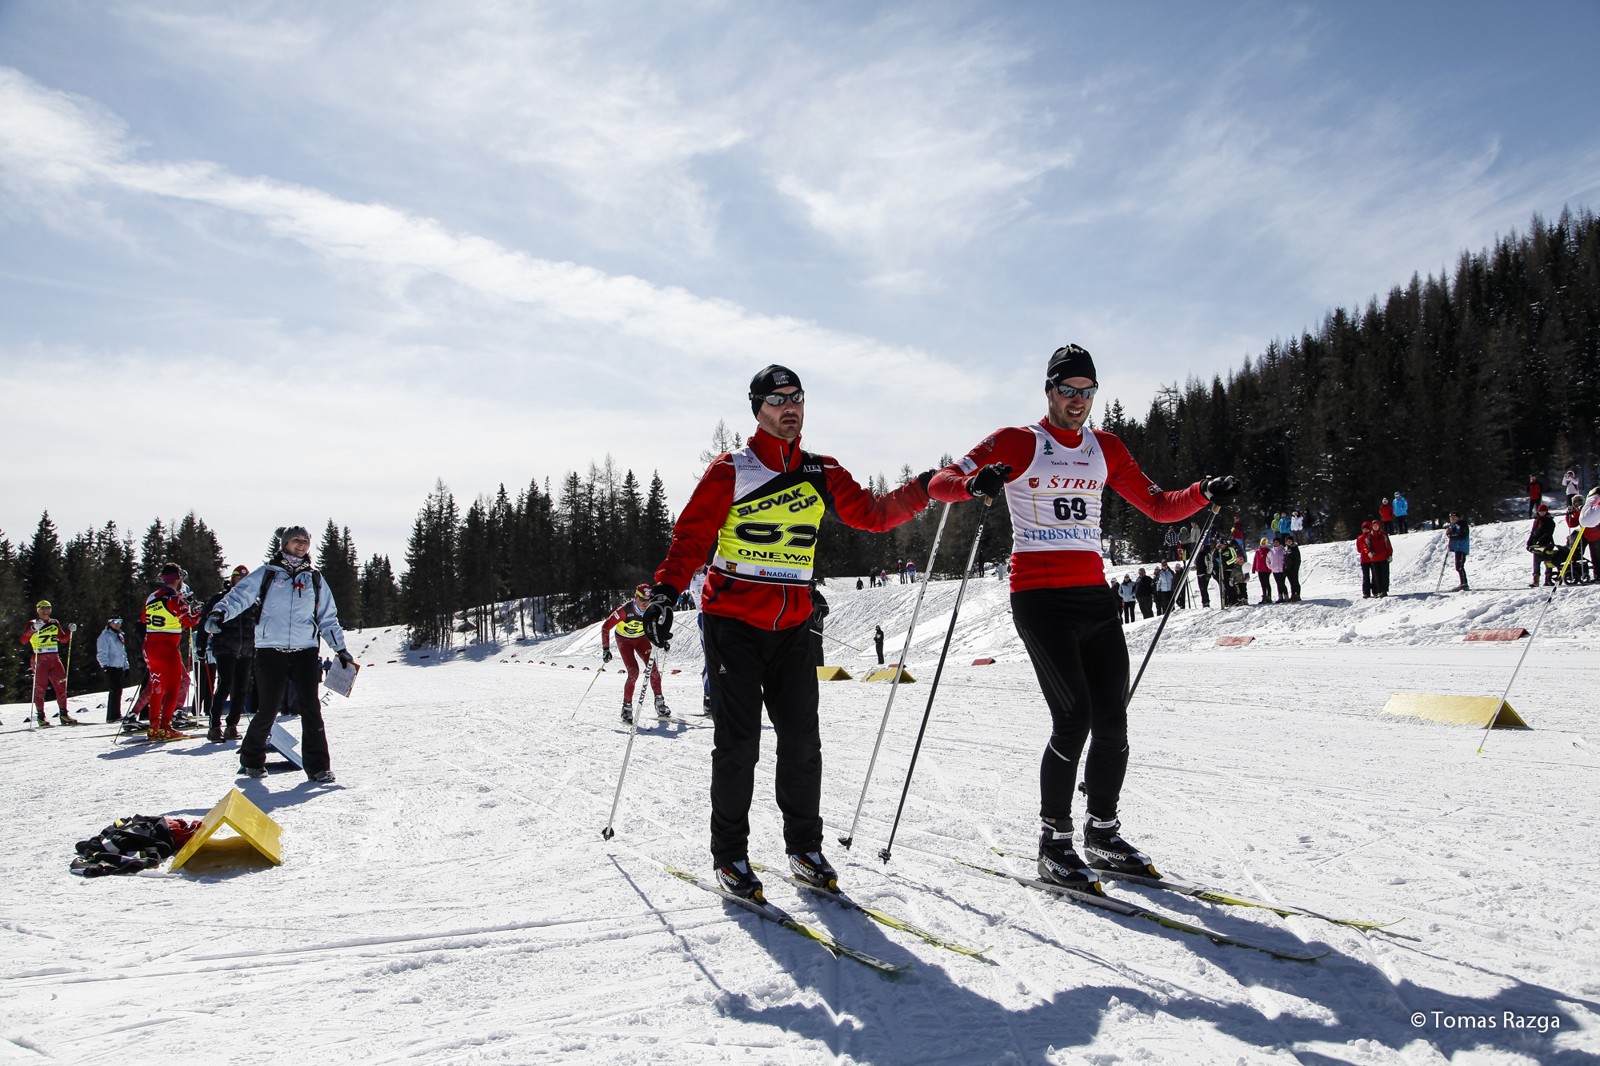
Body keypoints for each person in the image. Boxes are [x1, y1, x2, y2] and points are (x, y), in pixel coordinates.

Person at [925, 342, 1233, 888]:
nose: (1078, 401)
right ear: (1049, 391)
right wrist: (975, 483)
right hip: (1040, 598)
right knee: (1074, 718)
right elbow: (940, 482)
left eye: (1087, 392)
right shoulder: (1019, 442)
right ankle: (1054, 842)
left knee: (1113, 720)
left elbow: (1159, 504)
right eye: (1068, 391)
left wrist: (1203, 493)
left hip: (1093, 595)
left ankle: (1103, 833)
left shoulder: (1105, 447)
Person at [639, 364, 931, 900]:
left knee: (801, 742)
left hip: (795, 624)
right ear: (757, 409)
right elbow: (690, 538)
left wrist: (930, 486)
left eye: (796, 398)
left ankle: (803, 848)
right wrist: (664, 591)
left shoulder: (821, 471)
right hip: (732, 621)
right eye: (777, 400)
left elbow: (876, 513)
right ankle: (729, 856)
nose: (789, 407)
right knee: (738, 743)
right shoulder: (732, 469)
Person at [206, 526, 355, 783]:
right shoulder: (267, 574)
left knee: (311, 709)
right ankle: (252, 760)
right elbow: (239, 596)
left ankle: (319, 767)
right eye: (296, 540)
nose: (301, 544)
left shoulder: (315, 579)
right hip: (270, 651)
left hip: (305, 652)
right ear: (285, 544)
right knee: (268, 709)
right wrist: (219, 613)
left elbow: (328, 618)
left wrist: (339, 649)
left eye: (305, 541)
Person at [141, 565, 202, 740]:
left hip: (151, 646)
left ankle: (154, 727)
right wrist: (198, 613)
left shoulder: (152, 597)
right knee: (174, 686)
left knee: (157, 687)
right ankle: (166, 726)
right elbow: (190, 621)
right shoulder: (173, 598)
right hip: (167, 647)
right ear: (178, 579)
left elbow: (144, 619)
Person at [203, 564, 257, 742]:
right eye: (238, 578)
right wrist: (201, 645)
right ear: (232, 580)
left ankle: (232, 725)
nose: (241, 581)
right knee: (225, 684)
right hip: (225, 647)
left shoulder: (253, 602)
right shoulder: (221, 599)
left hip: (247, 648)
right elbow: (206, 621)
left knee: (241, 688)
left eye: (244, 579)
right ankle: (214, 726)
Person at [601, 584, 667, 723]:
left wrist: (663, 639)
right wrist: (606, 649)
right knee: (633, 672)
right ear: (635, 597)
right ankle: (626, 708)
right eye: (642, 599)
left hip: (641, 639)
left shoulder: (650, 609)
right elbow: (606, 626)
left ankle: (660, 703)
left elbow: (658, 625)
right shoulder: (625, 611)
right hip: (624, 641)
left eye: (648, 599)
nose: (645, 603)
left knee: (653, 669)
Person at [19, 599, 77, 726]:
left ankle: (64, 714)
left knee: (61, 687)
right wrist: (33, 629)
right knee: (40, 688)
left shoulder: (54, 622)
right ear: (38, 610)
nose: (45, 611)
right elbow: (23, 640)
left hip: (54, 658)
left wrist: (69, 631)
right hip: (40, 658)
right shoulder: (32, 622)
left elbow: (63, 639)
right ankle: (41, 717)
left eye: (48, 608)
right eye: (42, 608)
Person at [96, 617, 129, 723]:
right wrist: (105, 666)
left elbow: (123, 652)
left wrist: (126, 666)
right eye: (115, 622)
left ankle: (116, 714)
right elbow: (102, 652)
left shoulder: (119, 635)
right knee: (114, 690)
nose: (117, 624)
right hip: (111, 666)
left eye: (120, 622)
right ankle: (112, 716)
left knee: (118, 690)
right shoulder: (105, 636)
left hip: (119, 666)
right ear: (109, 623)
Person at [1526, 504, 1558, 586]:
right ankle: (1536, 580)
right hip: (1537, 545)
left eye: (1544, 511)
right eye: (1540, 511)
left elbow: (1548, 533)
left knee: (1548, 561)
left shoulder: (1550, 521)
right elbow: (1533, 532)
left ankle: (1548, 579)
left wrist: (1540, 540)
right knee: (1536, 561)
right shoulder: (1537, 520)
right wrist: (1530, 542)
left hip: (1547, 544)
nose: (1542, 512)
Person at [1446, 512, 1471, 590]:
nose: (1452, 518)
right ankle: (1463, 583)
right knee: (1458, 566)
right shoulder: (1454, 525)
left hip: (1462, 547)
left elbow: (1462, 535)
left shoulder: (1461, 524)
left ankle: (1464, 583)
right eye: (1450, 517)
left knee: (1459, 566)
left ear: (1457, 517)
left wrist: (1451, 535)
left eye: (1453, 517)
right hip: (1458, 548)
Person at [1369, 520, 1393, 597]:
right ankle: (1379, 590)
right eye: (1374, 526)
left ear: (1379, 526)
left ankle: (1384, 590)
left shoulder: (1384, 535)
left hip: (1384, 557)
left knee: (1384, 575)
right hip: (1374, 558)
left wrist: (1390, 554)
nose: (1375, 527)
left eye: (1377, 525)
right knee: (1377, 576)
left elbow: (1388, 545)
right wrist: (1369, 552)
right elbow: (1366, 546)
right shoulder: (1369, 536)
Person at [1283, 534, 1302, 602]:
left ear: (1292, 541)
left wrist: (1295, 567)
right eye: (1287, 541)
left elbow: (1298, 559)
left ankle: (1298, 595)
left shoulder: (1295, 548)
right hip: (1287, 568)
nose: (1289, 542)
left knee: (1295, 581)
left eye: (1290, 541)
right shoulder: (1286, 549)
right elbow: (1284, 559)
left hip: (1294, 568)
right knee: (1291, 582)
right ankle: (1293, 595)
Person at [1269, 537, 1288, 602]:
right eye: (1274, 542)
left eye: (1277, 542)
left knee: (1282, 583)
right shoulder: (1271, 551)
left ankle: (1286, 595)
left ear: (1279, 542)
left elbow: (1286, 558)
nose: (1276, 543)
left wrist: (1285, 566)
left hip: (1282, 570)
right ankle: (1280, 596)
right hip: (1275, 570)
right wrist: (1271, 567)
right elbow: (1267, 560)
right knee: (1278, 583)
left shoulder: (1283, 549)